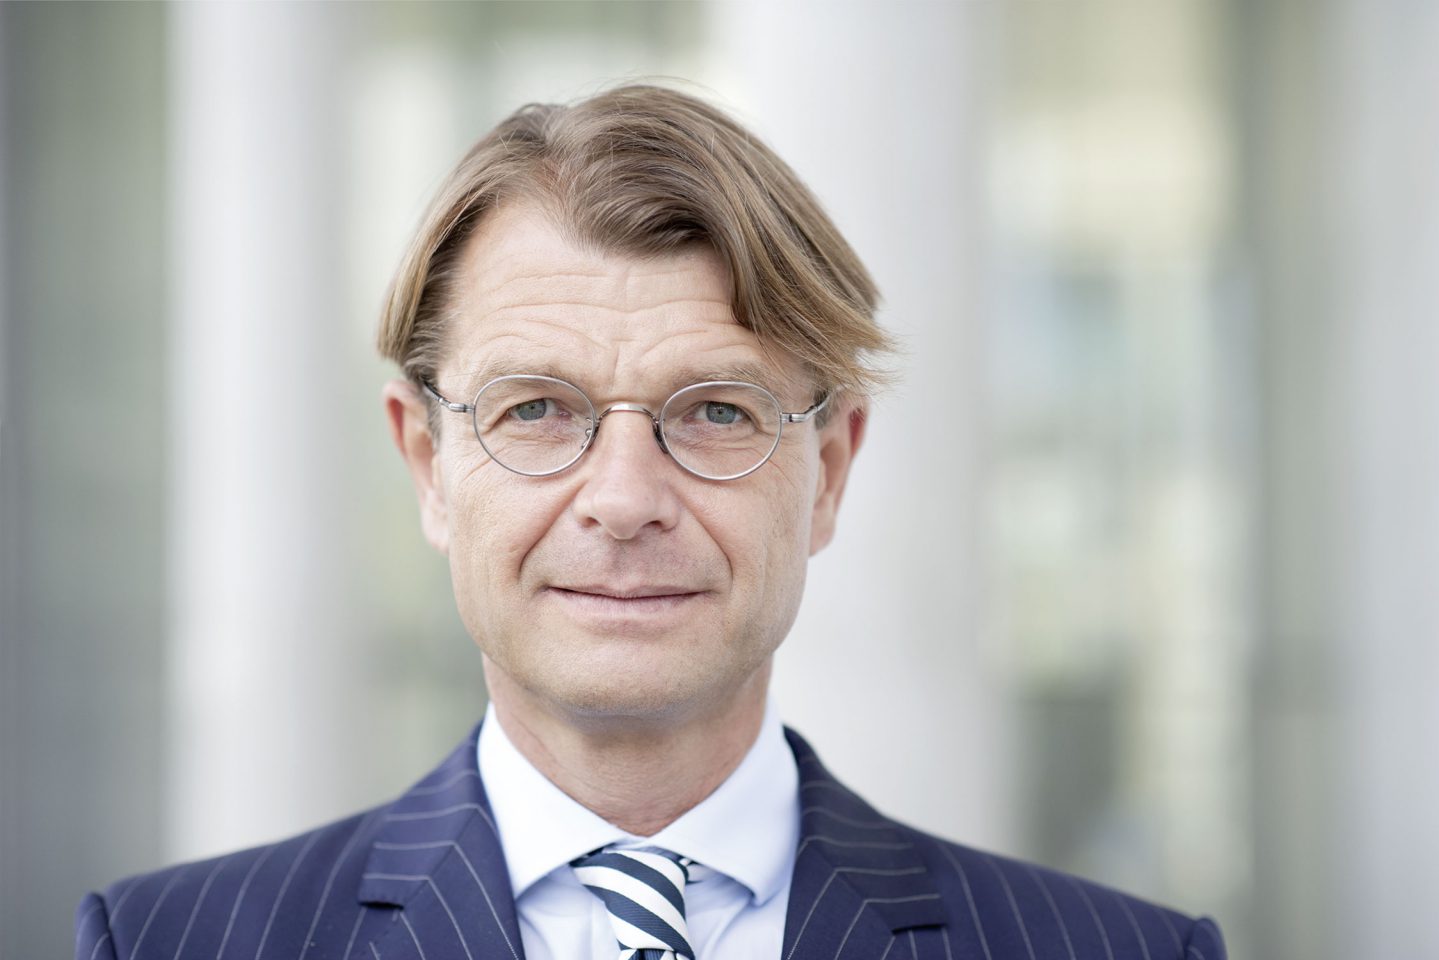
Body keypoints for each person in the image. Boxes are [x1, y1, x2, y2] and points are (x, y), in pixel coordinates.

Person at [75, 84, 1225, 960]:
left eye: (716, 411)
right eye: (535, 410)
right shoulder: (168, 946)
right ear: (428, 464)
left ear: (826, 471)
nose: (623, 500)